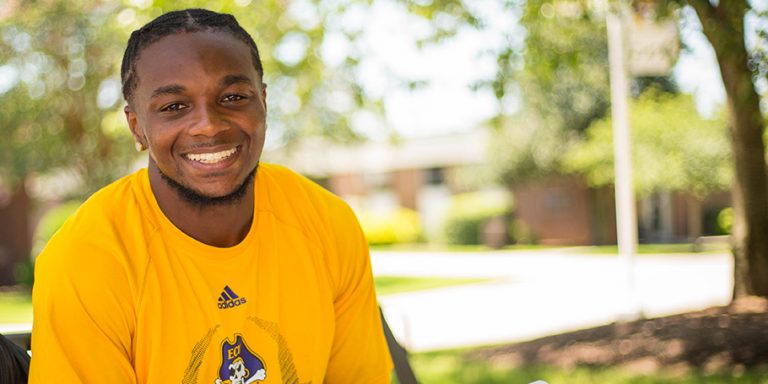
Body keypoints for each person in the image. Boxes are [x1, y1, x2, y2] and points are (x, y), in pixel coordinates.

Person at [29, 8, 392, 383]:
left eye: (233, 97)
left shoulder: (326, 224)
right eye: (174, 107)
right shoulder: (87, 260)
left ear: (263, 103)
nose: (208, 125)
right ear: (137, 127)